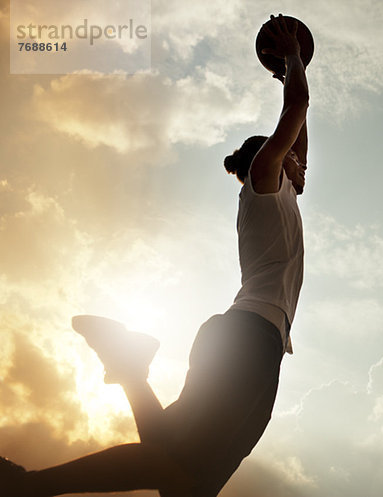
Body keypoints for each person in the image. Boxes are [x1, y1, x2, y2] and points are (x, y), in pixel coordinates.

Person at [0, 14, 309, 497]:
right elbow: (298, 109)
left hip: (261, 345)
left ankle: (129, 366)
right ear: (274, 153)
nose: (301, 159)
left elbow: (300, 127)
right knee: (178, 464)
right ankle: (25, 486)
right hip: (247, 334)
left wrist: (286, 71)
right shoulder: (265, 179)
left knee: (185, 481)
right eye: (292, 152)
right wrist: (291, 57)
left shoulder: (282, 187)